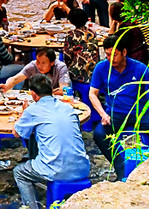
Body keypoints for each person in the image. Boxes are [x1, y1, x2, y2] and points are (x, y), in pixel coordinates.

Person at [89, 35, 149, 180]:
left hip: (140, 113)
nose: (111, 58)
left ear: (124, 52)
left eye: (115, 54)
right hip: (115, 113)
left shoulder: (139, 68)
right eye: (107, 55)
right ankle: (120, 167)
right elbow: (92, 93)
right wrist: (102, 114)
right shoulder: (101, 68)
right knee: (99, 134)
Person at [12, 74, 90, 209]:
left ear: (33, 94)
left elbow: (16, 133)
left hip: (55, 170)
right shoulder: (68, 107)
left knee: (19, 172)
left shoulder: (32, 110)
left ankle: (32, 207)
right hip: (82, 167)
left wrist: (23, 112)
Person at [0, 49, 71, 95]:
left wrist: (45, 93)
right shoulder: (33, 65)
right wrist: (6, 86)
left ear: (52, 63)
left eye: (43, 63)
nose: (39, 66)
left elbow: (63, 90)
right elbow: (16, 79)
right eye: (38, 62)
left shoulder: (60, 67)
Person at [61, 8, 102, 86]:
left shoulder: (71, 35)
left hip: (79, 72)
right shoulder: (92, 33)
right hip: (94, 70)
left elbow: (67, 56)